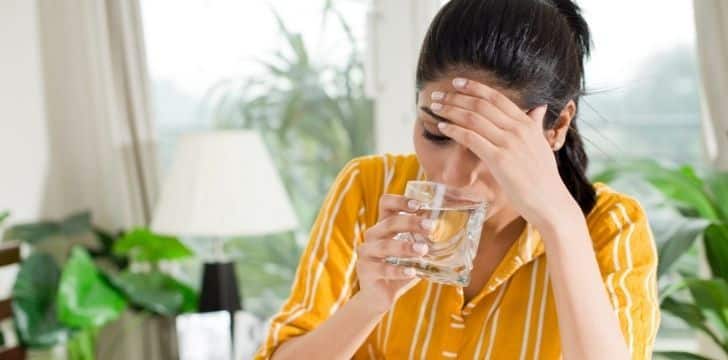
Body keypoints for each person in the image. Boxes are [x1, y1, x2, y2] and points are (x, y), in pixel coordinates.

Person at [255, 0, 658, 358]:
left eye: (489, 145)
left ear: (557, 126)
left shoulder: (611, 227)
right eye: (434, 133)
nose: (452, 175)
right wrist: (371, 303)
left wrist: (561, 224)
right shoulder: (368, 187)